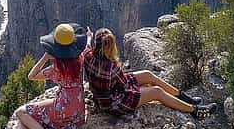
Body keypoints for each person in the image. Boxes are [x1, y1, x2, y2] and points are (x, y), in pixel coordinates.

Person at [83, 28, 217, 119]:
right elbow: (124, 86)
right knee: (156, 92)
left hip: (103, 97)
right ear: (111, 46)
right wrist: (143, 90)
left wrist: (88, 36)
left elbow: (87, 46)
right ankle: (194, 110)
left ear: (97, 43)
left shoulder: (87, 56)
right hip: (114, 103)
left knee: (147, 74)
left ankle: (184, 97)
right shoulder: (112, 67)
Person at [12, 23, 88, 129]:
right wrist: (88, 36)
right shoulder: (81, 60)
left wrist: (46, 57)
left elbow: (31, 76)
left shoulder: (55, 70)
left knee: (21, 113)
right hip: (78, 114)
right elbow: (86, 46)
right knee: (27, 117)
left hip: (62, 111)